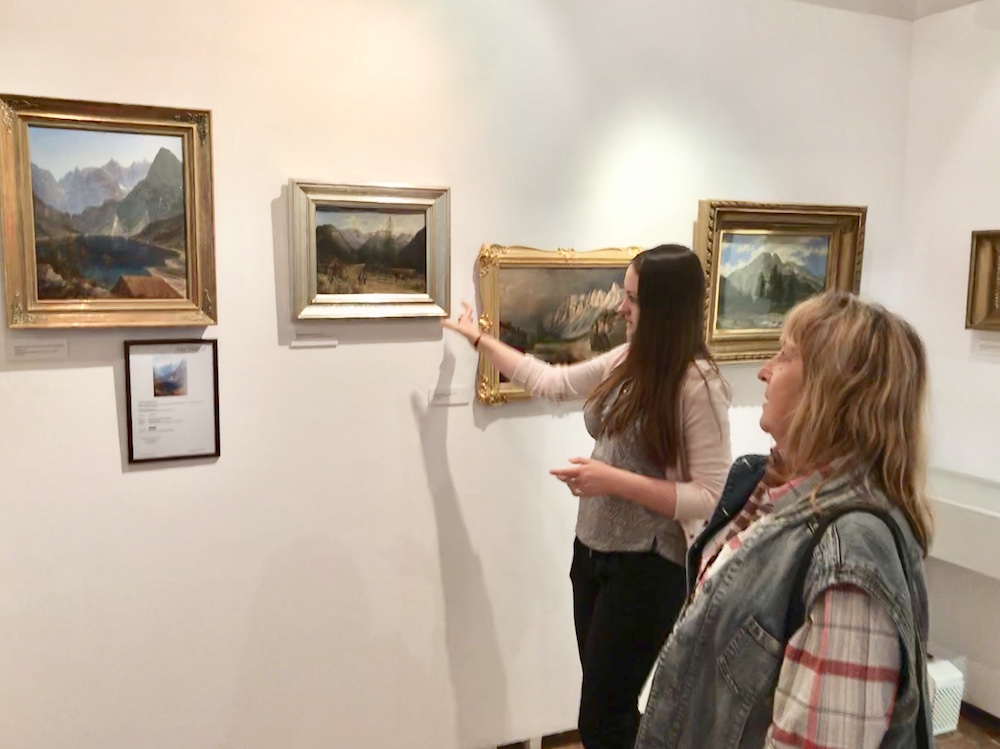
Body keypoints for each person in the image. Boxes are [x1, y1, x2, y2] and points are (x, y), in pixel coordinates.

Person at [442, 244, 732, 749]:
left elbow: (710, 497)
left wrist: (610, 480)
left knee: (602, 719)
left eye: (632, 299)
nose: (621, 308)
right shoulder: (630, 358)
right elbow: (552, 382)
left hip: (647, 567)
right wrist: (479, 338)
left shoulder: (697, 385)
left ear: (664, 307)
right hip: (594, 555)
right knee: (608, 711)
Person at [635, 291, 935, 749]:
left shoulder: (850, 556)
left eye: (785, 355)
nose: (764, 370)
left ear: (829, 389)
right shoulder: (765, 485)